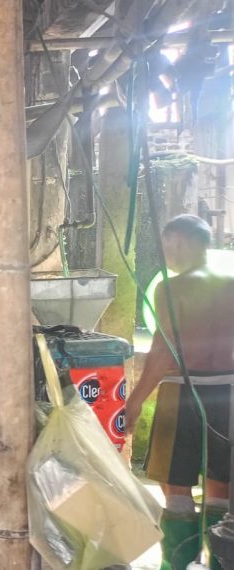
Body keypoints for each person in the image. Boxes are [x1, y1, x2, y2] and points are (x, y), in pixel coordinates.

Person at [126, 214, 234, 570]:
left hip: (183, 393)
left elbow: (162, 351)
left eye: (167, 243)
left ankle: (176, 563)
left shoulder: (172, 288)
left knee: (176, 485)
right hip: (228, 393)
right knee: (221, 483)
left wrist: (136, 399)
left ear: (179, 241)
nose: (166, 251)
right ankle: (218, 562)